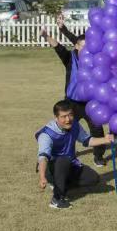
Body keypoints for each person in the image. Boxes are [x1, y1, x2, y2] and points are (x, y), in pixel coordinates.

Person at [40, 16, 106, 167]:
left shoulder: (96, 60)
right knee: (66, 129)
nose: (85, 50)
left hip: (90, 102)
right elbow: (58, 47)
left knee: (97, 129)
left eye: (87, 47)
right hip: (71, 102)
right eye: (82, 46)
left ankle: (99, 156)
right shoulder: (70, 58)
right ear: (76, 46)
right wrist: (46, 35)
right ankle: (64, 153)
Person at [35, 99, 114, 209]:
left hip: (70, 163)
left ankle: (61, 185)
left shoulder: (75, 125)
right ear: (56, 117)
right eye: (63, 117)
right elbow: (43, 157)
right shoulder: (47, 134)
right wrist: (42, 176)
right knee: (63, 159)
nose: (68, 120)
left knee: (93, 178)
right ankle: (56, 199)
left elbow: (86, 140)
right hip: (52, 167)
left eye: (70, 115)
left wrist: (105, 140)